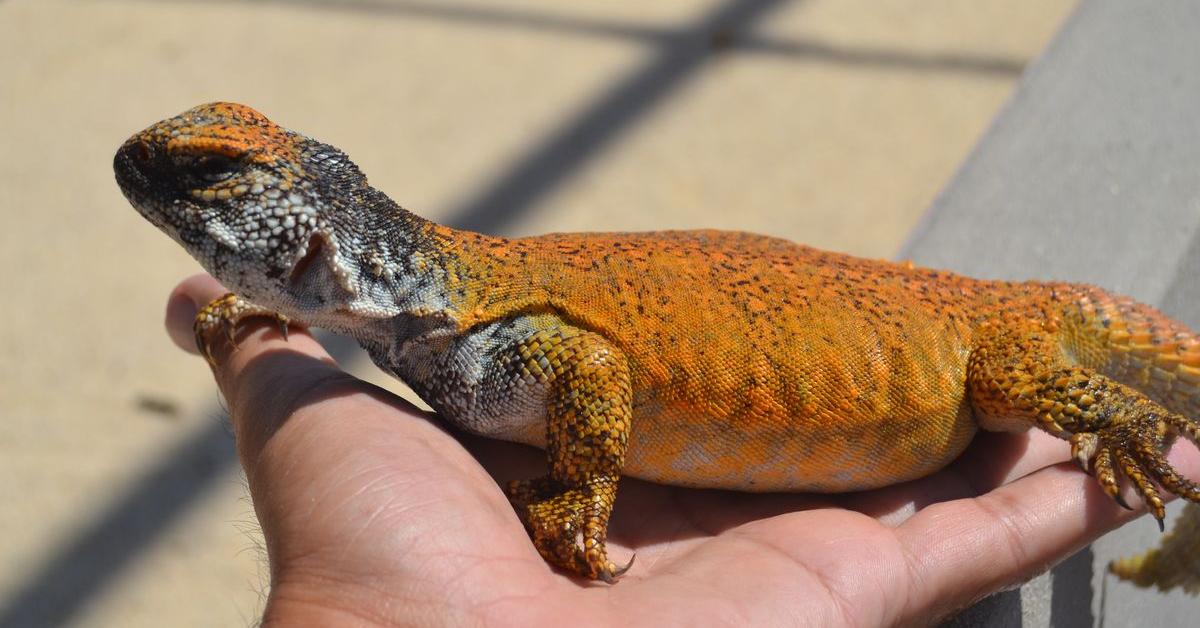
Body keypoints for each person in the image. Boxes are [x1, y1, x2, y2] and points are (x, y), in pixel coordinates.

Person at [165, 274, 1197, 626]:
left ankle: (1127, 414)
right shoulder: (442, 323)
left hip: (974, 340)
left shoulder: (484, 332)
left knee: (1021, 379)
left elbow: (595, 375)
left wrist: (579, 493)